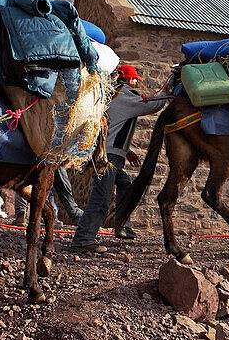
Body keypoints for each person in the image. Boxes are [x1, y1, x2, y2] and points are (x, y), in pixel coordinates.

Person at [69, 64, 165, 253]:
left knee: (124, 183)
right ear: (129, 79)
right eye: (136, 79)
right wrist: (169, 91)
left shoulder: (111, 93)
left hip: (105, 151)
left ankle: (123, 226)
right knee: (102, 198)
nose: (137, 82)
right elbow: (154, 104)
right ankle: (83, 239)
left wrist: (126, 151)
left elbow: (114, 125)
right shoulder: (126, 94)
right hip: (108, 156)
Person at [12, 168, 83, 226]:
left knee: (25, 182)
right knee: (27, 184)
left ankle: (22, 214)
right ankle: (22, 214)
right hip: (50, 156)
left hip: (47, 157)